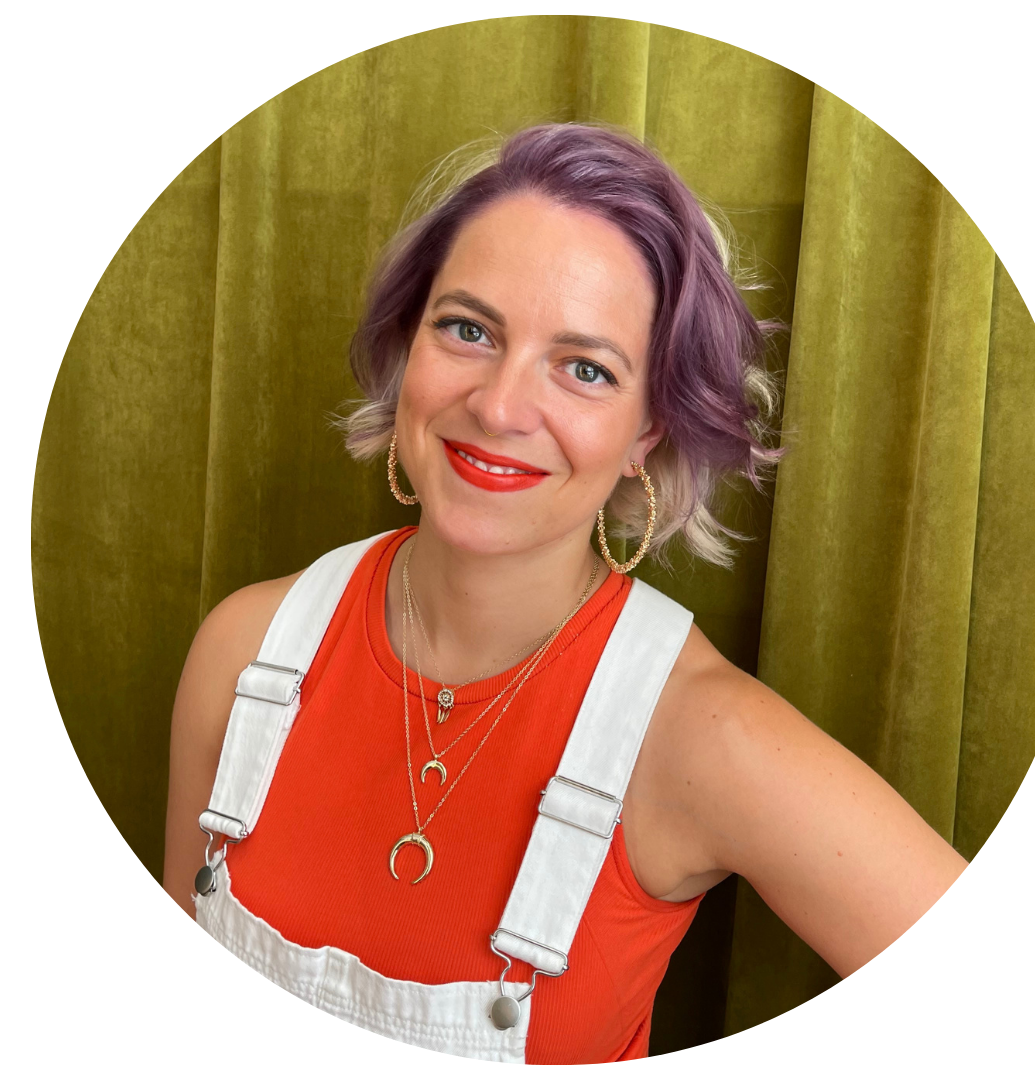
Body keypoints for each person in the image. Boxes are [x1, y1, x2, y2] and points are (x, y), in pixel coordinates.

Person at [161, 122, 970, 1064]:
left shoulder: (701, 738)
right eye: (467, 329)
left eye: (585, 369)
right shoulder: (246, 650)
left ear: (647, 431)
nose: (500, 407)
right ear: (407, 344)